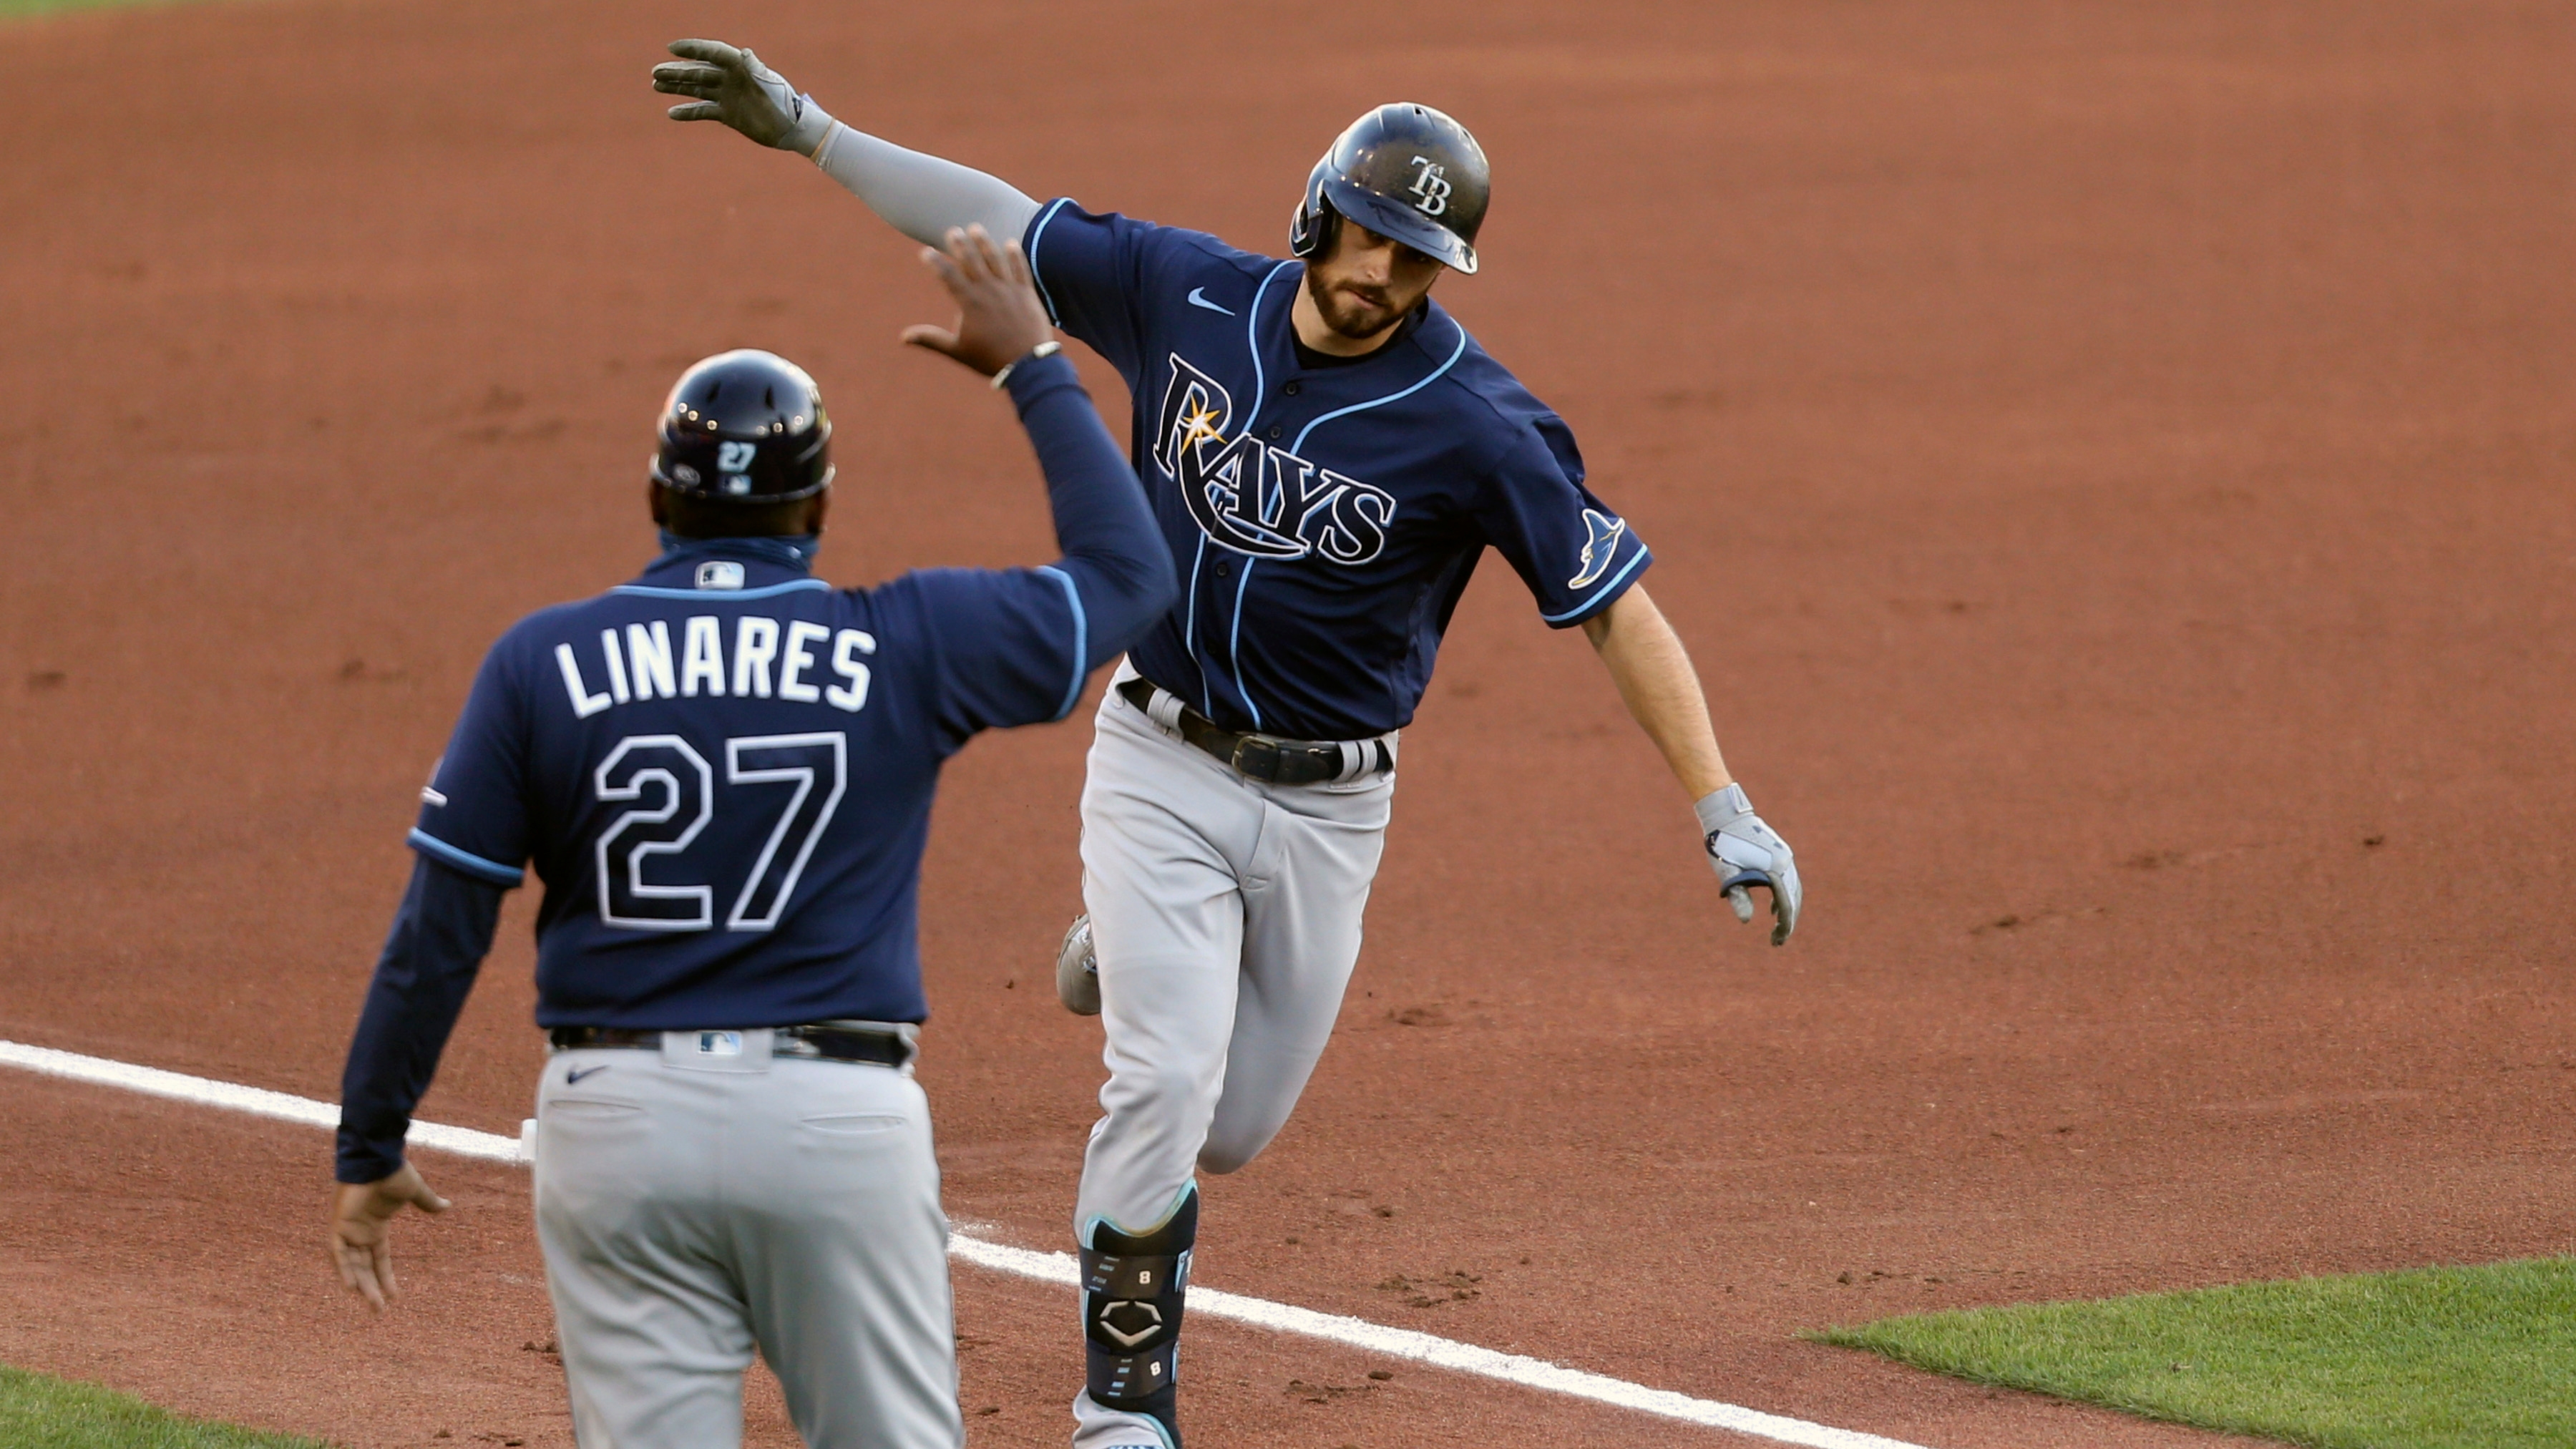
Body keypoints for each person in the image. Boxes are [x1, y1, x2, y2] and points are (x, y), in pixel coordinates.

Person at [652, 42, 1803, 1449]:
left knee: (1232, 1125)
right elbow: (999, 222)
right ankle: (1121, 1404)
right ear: (1316, 209)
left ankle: (1123, 951)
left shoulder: (1480, 423)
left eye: (1417, 259)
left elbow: (1615, 612)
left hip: (1332, 809)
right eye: (1368, 236)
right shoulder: (1185, 291)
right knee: (1162, 1076)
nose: (1380, 274)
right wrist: (815, 131)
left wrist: (1722, 804)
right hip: (1164, 757)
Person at [324, 228, 1176, 1449]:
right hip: (832, 1123)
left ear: (660, 497)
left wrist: (371, 1137)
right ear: (818, 505)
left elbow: (441, 927)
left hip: (610, 1121)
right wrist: (1032, 365)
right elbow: (1127, 576)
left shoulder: (540, 662)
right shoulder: (907, 637)